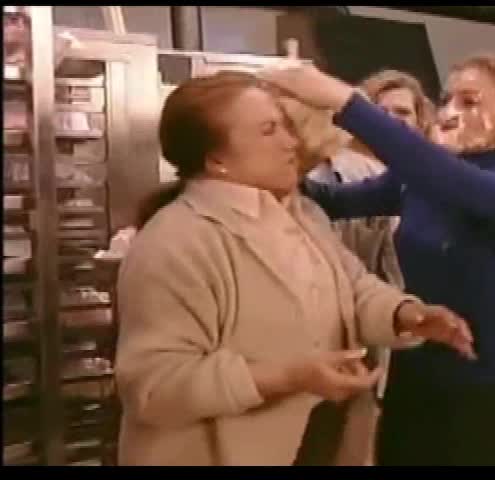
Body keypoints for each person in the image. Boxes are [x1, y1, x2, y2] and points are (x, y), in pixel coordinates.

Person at [114, 71, 476, 466]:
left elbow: (352, 286)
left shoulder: (302, 214)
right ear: (217, 160)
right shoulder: (177, 241)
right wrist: (289, 377)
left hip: (319, 443)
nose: (291, 142)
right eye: (269, 131)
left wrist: (404, 313)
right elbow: (153, 385)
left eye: (285, 126)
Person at [260, 53, 495, 465]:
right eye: (447, 99)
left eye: (470, 102)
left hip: (477, 384)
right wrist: (287, 161)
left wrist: (342, 100)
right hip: (412, 370)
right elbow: (332, 201)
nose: (450, 113)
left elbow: (440, 175)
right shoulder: (417, 181)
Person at [282, 70, 436, 465]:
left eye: (402, 112)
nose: (390, 123)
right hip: (333, 343)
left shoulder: (427, 180)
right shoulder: (337, 177)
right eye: (380, 113)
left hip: (388, 338)